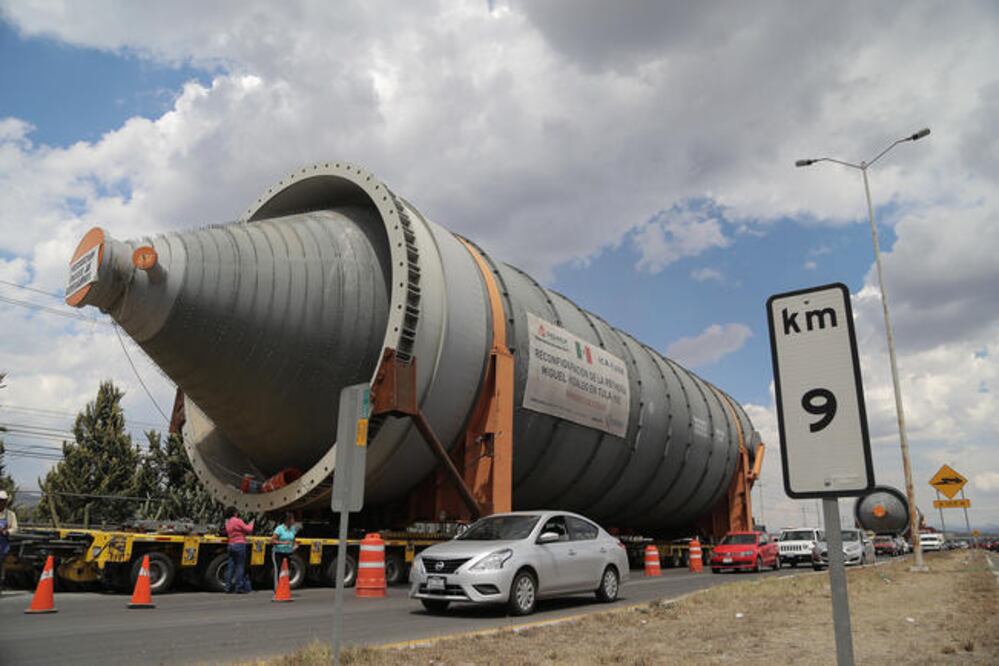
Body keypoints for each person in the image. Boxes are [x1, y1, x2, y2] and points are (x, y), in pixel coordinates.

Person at [224, 506, 254, 594]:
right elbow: (249, 529)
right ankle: (239, 587)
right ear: (234, 513)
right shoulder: (237, 521)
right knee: (240, 566)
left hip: (231, 544)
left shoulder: (228, 522)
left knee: (230, 566)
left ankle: (228, 587)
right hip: (240, 544)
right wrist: (252, 523)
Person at [270, 512, 300, 591]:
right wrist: (282, 543)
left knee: (286, 571)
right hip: (278, 552)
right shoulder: (279, 529)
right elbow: (272, 541)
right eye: (292, 519)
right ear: (288, 520)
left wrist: (295, 546)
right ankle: (276, 589)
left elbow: (293, 540)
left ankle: (283, 587)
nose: (294, 521)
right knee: (278, 570)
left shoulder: (292, 529)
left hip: (288, 553)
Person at [0, 490, 17, 596]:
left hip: (2, 544)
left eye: (3, 501)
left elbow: (15, 528)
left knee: (1, 565)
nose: (2, 503)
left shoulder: (10, 514)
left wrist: (7, 531)